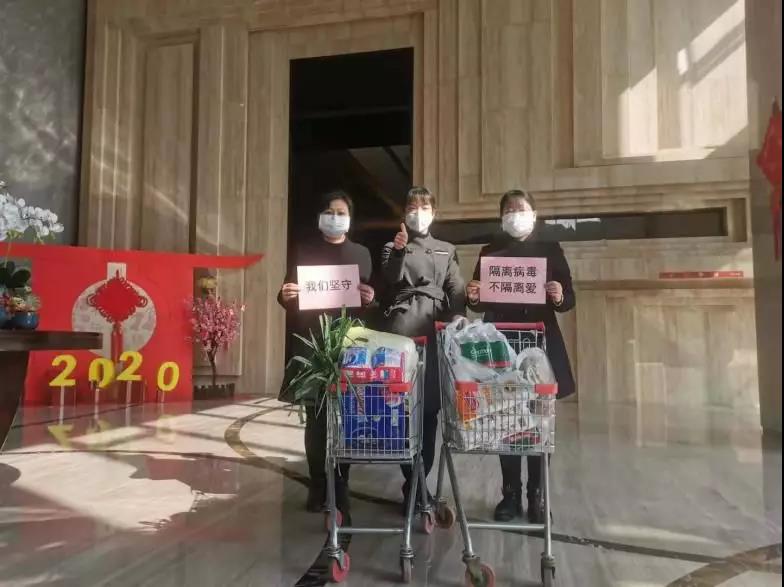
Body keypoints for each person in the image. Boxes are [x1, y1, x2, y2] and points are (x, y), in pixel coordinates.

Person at [465, 189, 576, 523]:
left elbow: (568, 299)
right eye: (509, 210)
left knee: (541, 421)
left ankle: (537, 495)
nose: (515, 214)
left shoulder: (550, 249)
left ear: (534, 214)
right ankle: (510, 494)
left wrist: (559, 295)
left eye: (521, 208)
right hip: (503, 343)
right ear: (502, 217)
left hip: (541, 343)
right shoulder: (490, 251)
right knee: (507, 419)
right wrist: (473, 295)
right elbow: (478, 300)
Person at [277, 190, 375, 515]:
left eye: (341, 212)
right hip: (313, 345)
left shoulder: (361, 253)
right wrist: (285, 295)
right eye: (330, 211)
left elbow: (369, 300)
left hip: (348, 345)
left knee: (346, 419)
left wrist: (370, 298)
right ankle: (318, 485)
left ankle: (341, 483)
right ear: (320, 216)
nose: (335, 217)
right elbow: (289, 294)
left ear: (350, 218)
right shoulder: (304, 250)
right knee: (316, 421)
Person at [380, 186, 466, 511]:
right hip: (403, 331)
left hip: (435, 333)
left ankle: (416, 485)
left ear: (434, 212)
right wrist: (399, 252)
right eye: (412, 207)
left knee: (430, 411)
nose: (418, 213)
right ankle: (414, 485)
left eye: (425, 207)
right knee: (405, 411)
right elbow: (390, 278)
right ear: (404, 213)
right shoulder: (393, 246)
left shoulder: (447, 249)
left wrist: (459, 315)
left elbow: (456, 288)